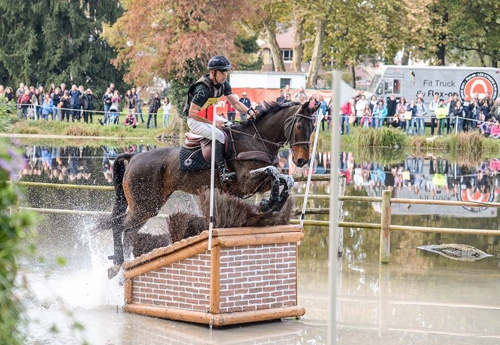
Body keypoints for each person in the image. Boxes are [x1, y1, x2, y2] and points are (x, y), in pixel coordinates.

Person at [183, 55, 256, 185]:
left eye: (226, 72)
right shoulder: (203, 89)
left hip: (210, 116)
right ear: (212, 72)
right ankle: (223, 171)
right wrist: (213, 123)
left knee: (232, 127)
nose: (225, 75)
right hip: (195, 120)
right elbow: (193, 113)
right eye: (222, 72)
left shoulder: (224, 84)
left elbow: (236, 104)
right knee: (219, 135)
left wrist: (250, 111)